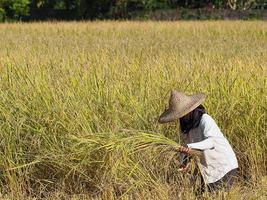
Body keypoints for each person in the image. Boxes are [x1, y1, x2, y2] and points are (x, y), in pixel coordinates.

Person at [158, 90, 238, 193]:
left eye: (182, 114)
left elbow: (211, 142)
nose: (181, 118)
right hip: (207, 169)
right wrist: (184, 162)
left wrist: (189, 146)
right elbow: (186, 148)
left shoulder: (205, 120)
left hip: (223, 165)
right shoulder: (185, 127)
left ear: (190, 110)